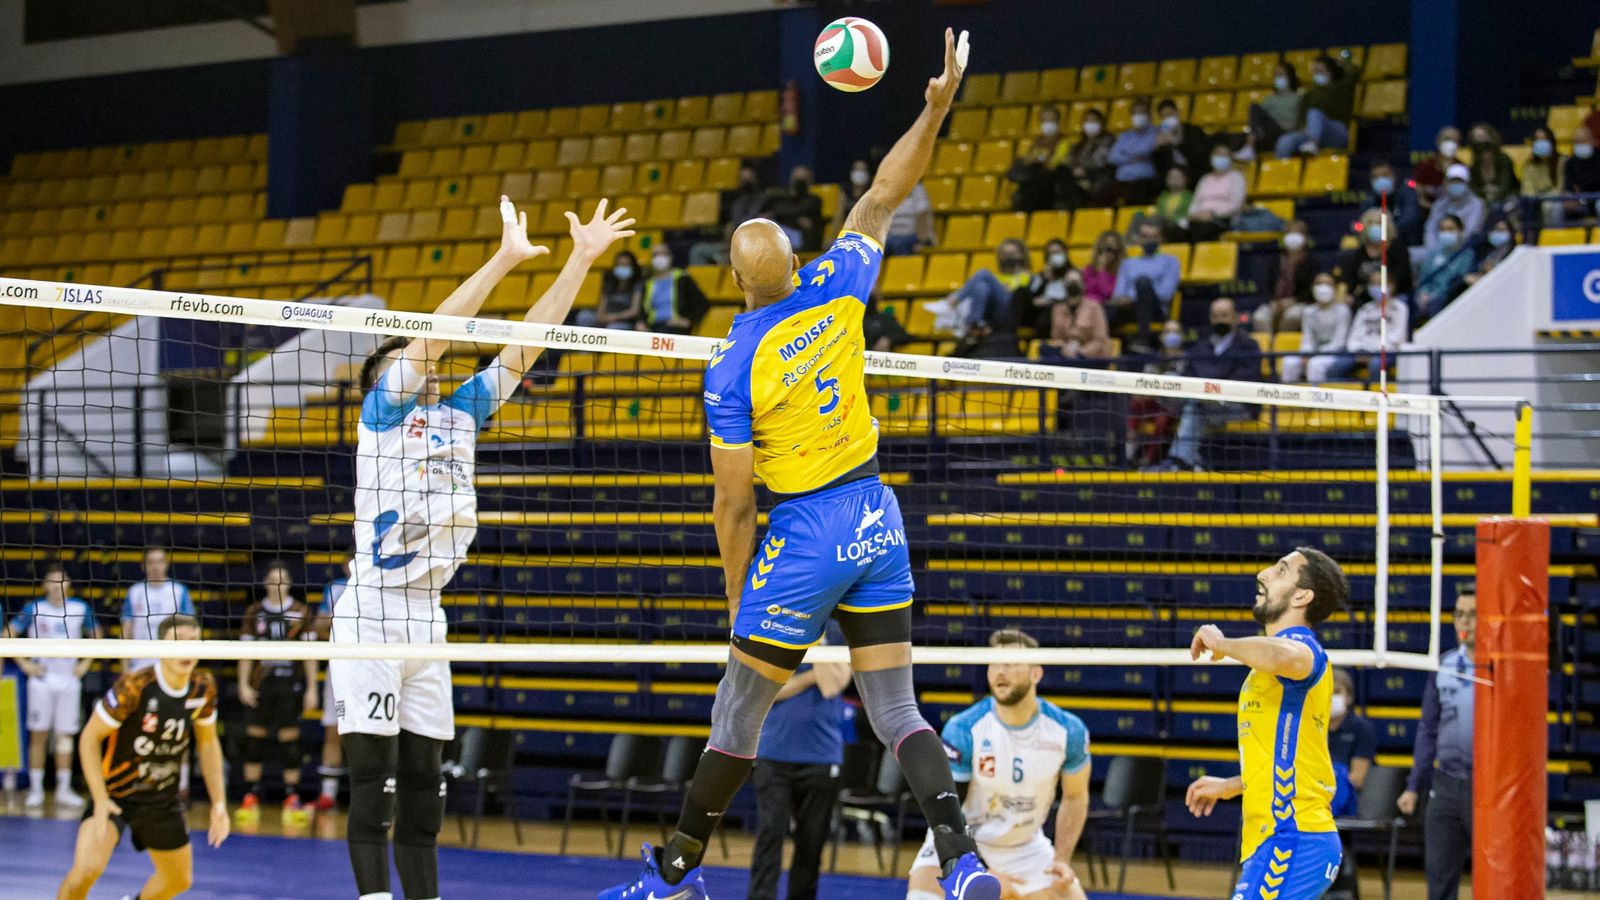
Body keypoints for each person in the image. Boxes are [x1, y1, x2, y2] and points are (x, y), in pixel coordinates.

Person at [601, 29, 1004, 900]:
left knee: (736, 712)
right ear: (793, 262)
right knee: (897, 709)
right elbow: (887, 192)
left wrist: (736, 591)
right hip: (876, 514)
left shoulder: (731, 363)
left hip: (809, 528)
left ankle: (672, 874)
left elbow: (732, 504)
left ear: (736, 280)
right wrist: (936, 105)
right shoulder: (841, 278)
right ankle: (964, 858)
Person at [341, 195, 634, 900]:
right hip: (372, 615)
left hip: (428, 619)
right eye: (408, 358)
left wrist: (579, 260)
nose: (425, 365)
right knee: (373, 786)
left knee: (423, 792)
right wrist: (503, 259)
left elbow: (529, 342)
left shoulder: (460, 416)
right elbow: (436, 334)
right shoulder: (382, 417)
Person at [1185, 548, 1349, 900]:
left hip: (1295, 839)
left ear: (1302, 595)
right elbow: (1288, 755)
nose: (1263, 573)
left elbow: (1284, 655)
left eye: (1281, 570)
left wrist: (1223, 644)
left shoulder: (1303, 650)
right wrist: (1232, 784)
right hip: (1279, 839)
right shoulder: (1268, 669)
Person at [906, 628, 1090, 900]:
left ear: (1036, 673)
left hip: (1025, 847)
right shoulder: (964, 729)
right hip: (962, 842)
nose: (1000, 672)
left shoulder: (1066, 730)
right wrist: (981, 870)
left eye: (1011, 663)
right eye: (994, 662)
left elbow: (1075, 797)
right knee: (923, 896)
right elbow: (949, 812)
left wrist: (1062, 859)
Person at [57, 615, 228, 900]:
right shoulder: (135, 686)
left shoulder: (202, 687)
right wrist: (99, 799)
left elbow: (208, 744)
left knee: (179, 880)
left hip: (162, 799)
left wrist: (219, 802)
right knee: (85, 871)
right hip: (117, 795)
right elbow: (89, 737)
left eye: (192, 642)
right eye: (178, 642)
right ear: (161, 645)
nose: (186, 649)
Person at [747, 634, 851, 900]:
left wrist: (813, 652)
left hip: (822, 758)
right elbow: (766, 690)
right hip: (773, 755)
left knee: (811, 843)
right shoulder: (775, 630)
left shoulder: (838, 633)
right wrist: (811, 674)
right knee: (770, 835)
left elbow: (833, 685)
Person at [1397, 592, 1477, 900]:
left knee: (1492, 874)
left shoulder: (1499, 667)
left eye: (1473, 613)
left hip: (1485, 786)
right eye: (1459, 613)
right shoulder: (1444, 665)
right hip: (1445, 785)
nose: (1465, 621)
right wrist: (1414, 786)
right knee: (1439, 876)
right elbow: (1428, 729)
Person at [3, 562, 100, 809]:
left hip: (69, 679)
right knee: (39, 734)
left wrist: (85, 664)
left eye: (62, 581)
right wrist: (25, 665)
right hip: (42, 680)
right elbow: (7, 635)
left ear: (68, 585)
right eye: (52, 582)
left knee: (65, 735)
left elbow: (99, 637)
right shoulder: (34, 608)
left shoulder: (80, 609)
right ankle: (36, 789)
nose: (57, 587)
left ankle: (63, 789)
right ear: (45, 585)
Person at [235, 561, 317, 825]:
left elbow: (311, 656)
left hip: (290, 685)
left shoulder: (300, 612)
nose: (277, 585)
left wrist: (312, 689)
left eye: (282, 580)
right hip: (261, 686)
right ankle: (250, 797)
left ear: (289, 583)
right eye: (273, 580)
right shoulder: (255, 611)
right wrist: (243, 684)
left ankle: (292, 799)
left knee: (290, 742)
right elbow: (244, 654)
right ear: (266, 583)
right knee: (254, 740)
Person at [1158, 298, 1262, 471]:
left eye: (1224, 315)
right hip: (1204, 404)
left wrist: (1212, 387)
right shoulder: (1201, 347)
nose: (1220, 320)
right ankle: (1191, 461)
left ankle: (1181, 461)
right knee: (1177, 385)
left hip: (1237, 407)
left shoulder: (1248, 346)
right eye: (1215, 316)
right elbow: (1188, 375)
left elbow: (1247, 378)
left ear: (1235, 317)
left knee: (1194, 405)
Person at [312, 558, 351, 813]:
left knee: (371, 734)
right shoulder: (335, 588)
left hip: (372, 667)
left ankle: (371, 793)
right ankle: (328, 795)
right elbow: (318, 626)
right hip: (338, 666)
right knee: (333, 730)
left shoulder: (381, 585)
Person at [1107, 219, 1180, 353]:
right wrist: (1124, 299)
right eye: (1145, 237)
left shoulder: (1170, 261)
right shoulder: (1128, 263)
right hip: (1129, 309)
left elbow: (1166, 293)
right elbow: (1117, 294)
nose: (1149, 241)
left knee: (1143, 283)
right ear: (1139, 239)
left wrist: (1133, 296)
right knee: (1101, 308)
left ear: (1161, 239)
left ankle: (1143, 340)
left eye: (1153, 237)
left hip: (1156, 309)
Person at [121, 547, 195, 675]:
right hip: (140, 662)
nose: (155, 567)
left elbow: (190, 629)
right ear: (143, 566)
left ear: (166, 564)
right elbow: (125, 630)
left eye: (160, 561)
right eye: (151, 562)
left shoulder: (178, 591)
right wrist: (124, 667)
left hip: (171, 662)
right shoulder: (135, 591)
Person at [1324, 271, 1409, 381]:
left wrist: (1372, 351)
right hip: (1361, 351)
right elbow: (1354, 335)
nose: (1377, 287)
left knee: (1375, 365)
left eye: (1381, 283)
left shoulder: (1400, 308)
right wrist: (1359, 351)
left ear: (1392, 286)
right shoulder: (1365, 309)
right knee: (1335, 368)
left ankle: (1377, 395)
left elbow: (1397, 338)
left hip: (1388, 351)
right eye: (1373, 284)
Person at [948, 239, 1031, 346]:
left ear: (1021, 255)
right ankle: (975, 325)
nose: (1008, 257)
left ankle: (956, 299)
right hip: (993, 313)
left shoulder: (1028, 276)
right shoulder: (995, 278)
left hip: (1011, 312)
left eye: (1012, 253)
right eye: (1004, 254)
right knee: (980, 287)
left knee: (983, 272)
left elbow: (1025, 298)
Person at [1275, 55, 1356, 157]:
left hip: (1335, 131)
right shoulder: (1309, 94)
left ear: (1330, 72)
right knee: (1285, 141)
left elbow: (1353, 73)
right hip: (1310, 132)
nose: (1317, 74)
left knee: (1314, 113)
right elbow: (1302, 118)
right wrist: (1304, 128)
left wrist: (1340, 62)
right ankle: (1282, 171)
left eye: (1321, 71)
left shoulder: (1342, 87)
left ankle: (1313, 143)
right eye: (1315, 71)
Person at [1280, 274, 1351, 384]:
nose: (1323, 288)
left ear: (1334, 288)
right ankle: (1286, 400)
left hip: (1336, 353)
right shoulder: (1308, 311)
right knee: (1289, 362)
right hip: (1314, 352)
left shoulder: (1343, 311)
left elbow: (1339, 342)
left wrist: (1314, 355)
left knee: (1315, 365)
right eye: (1319, 284)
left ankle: (1315, 399)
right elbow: (1308, 338)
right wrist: (1306, 354)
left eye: (1327, 284)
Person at [1251, 221, 1316, 335]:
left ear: (1304, 238)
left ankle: (1281, 346)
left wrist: (1294, 301)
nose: (1293, 237)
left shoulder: (1310, 262)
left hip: (1299, 303)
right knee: (1259, 317)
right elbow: (1266, 284)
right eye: (1290, 233)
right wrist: (1273, 302)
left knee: (1292, 317)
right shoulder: (1275, 260)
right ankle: (1269, 348)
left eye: (1297, 233)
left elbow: (1312, 290)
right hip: (1275, 302)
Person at [1326, 668, 1377, 812]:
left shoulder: (1362, 728)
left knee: (1340, 775)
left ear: (1349, 697)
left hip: (1351, 798)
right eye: (1326, 692)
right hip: (1319, 793)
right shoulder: (1310, 726)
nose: (1330, 697)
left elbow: (1357, 778)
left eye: (1336, 692)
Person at [1337, 208, 1413, 302]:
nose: (1375, 226)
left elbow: (1402, 280)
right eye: (1371, 223)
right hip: (1365, 300)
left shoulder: (1398, 250)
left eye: (1379, 222)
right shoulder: (1357, 255)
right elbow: (1352, 285)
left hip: (1395, 297)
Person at [1176, 144, 1247, 241]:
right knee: (1177, 231)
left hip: (1222, 218)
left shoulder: (1236, 178)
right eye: (1218, 155)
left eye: (1224, 155)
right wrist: (1194, 214)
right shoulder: (1205, 179)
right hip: (1199, 217)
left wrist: (1212, 214)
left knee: (1200, 232)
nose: (1220, 158)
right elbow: (1196, 201)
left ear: (1230, 158)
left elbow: (1236, 204)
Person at [1415, 214, 1476, 322]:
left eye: (1450, 229)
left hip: (1447, 297)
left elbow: (1459, 281)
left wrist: (1434, 296)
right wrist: (1423, 293)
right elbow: (1423, 278)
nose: (1446, 233)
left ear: (1460, 231)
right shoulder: (1434, 253)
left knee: (1436, 304)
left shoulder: (1467, 256)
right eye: (1442, 229)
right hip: (1426, 296)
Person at [1014, 238, 1077, 336]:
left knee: (1049, 311)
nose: (1055, 256)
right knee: (1020, 291)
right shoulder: (1041, 276)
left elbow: (1075, 297)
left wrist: (1051, 301)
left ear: (1065, 253)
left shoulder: (1074, 274)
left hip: (1063, 312)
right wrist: (1045, 280)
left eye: (1057, 252)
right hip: (1038, 311)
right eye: (1051, 254)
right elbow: (1032, 295)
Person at [1010, 107, 1069, 212]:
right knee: (1020, 163)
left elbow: (1055, 162)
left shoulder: (1064, 141)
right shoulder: (1037, 142)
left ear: (1058, 122)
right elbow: (1031, 157)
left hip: (1052, 180)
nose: (1048, 124)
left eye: (1052, 120)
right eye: (1045, 120)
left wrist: (1038, 159)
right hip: (1036, 179)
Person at [1045, 271, 1110, 363]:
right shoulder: (1058, 309)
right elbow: (1057, 338)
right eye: (1069, 282)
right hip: (1065, 355)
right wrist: (1066, 348)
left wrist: (1080, 352)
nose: (1072, 285)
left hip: (1089, 357)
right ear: (1064, 285)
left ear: (1083, 285)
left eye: (1076, 282)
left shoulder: (1094, 307)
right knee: (1045, 349)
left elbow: (1100, 339)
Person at [641, 248, 710, 335]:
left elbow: (703, 303)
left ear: (670, 257)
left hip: (675, 326)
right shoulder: (648, 283)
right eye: (656, 255)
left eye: (663, 254)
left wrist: (689, 320)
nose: (659, 258)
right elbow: (643, 308)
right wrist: (641, 322)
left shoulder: (683, 278)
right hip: (652, 325)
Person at [1058, 108, 1115, 210]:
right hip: (1077, 179)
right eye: (1087, 121)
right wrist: (1075, 169)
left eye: (1094, 121)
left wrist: (1083, 169)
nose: (1090, 124)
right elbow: (1069, 160)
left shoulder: (1108, 140)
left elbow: (1101, 160)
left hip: (1096, 176)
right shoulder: (1078, 145)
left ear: (1101, 123)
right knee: (1061, 170)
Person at [1107, 99, 1160, 204]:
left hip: (1144, 178)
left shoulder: (1155, 132)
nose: (1138, 116)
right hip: (1122, 179)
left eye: (1142, 112)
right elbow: (1113, 157)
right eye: (1135, 113)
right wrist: (1131, 157)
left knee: (1135, 192)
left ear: (1149, 115)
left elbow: (1146, 150)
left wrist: (1126, 154)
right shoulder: (1125, 135)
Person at [1423, 164, 1485, 252]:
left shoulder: (1477, 204)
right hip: (1437, 249)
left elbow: (1470, 232)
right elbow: (1430, 230)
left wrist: (1452, 249)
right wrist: (1433, 251)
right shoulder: (1439, 204)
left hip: (1464, 251)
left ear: (1467, 183)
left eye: (1459, 181)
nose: (1456, 184)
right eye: (1453, 181)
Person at [577, 250, 644, 330]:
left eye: (626, 265)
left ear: (633, 267)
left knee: (613, 327)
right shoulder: (609, 283)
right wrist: (601, 317)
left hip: (623, 321)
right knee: (584, 316)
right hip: (606, 317)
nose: (622, 267)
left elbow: (634, 311)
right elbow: (601, 308)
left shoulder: (637, 284)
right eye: (620, 264)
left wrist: (614, 317)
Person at [1246, 62, 1302, 157]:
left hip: (1287, 133)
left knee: (1254, 107)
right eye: (1276, 75)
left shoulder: (1298, 98)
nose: (1278, 78)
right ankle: (1249, 146)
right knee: (1254, 107)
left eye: (1281, 75)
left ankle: (1249, 147)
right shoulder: (1269, 99)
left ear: (1290, 76)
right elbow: (1259, 120)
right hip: (1271, 135)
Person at [766, 165, 824, 251]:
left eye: (803, 179)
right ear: (791, 180)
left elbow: (801, 210)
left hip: (802, 237)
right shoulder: (784, 198)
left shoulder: (814, 199)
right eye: (797, 178)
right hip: (783, 231)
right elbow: (778, 210)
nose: (799, 182)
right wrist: (796, 218)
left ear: (810, 180)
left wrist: (783, 215)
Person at [1152, 98, 1210, 184]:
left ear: (1177, 113)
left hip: (1195, 176)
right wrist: (1157, 149)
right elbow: (1160, 167)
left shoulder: (1194, 131)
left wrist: (1177, 143)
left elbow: (1200, 157)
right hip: (1174, 181)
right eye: (1164, 116)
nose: (1168, 118)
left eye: (1170, 114)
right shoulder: (1162, 137)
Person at [1369, 160, 1423, 247]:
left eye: (1385, 175)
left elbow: (1410, 219)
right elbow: (1364, 222)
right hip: (1379, 247)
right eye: (1376, 177)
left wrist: (1388, 231)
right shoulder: (1370, 199)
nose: (1381, 180)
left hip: (1409, 245)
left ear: (1393, 176)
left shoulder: (1407, 193)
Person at [1466, 123, 1519, 205]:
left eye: (1482, 137)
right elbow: (1473, 187)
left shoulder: (1503, 159)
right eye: (1476, 139)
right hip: (1484, 199)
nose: (1480, 142)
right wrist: (1484, 193)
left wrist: (1495, 196)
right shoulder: (1474, 165)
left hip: (1506, 197)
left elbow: (1506, 184)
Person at [1414, 126, 1464, 210]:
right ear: (1438, 141)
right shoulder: (1426, 165)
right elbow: (1416, 189)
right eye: (1447, 139)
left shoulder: (1462, 168)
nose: (1451, 144)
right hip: (1428, 210)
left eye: (1455, 141)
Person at [1462, 219, 1517, 289]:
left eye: (1502, 230)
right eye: (1496, 229)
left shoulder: (1513, 253)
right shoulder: (1486, 250)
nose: (1498, 233)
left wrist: (1491, 270)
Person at [886, 181, 935, 256]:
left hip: (912, 235)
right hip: (892, 236)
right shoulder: (889, 192)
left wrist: (922, 242)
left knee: (898, 243)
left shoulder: (918, 190)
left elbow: (922, 216)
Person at [1520, 127, 1562, 200]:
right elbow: (1527, 187)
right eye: (1537, 140)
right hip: (1536, 200)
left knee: (1549, 206)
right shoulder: (1530, 165)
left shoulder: (1561, 161)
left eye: (1543, 139)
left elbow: (1562, 186)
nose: (1540, 142)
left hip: (1556, 199)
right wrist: (1533, 198)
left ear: (1551, 142)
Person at [1150, 167, 1193, 237]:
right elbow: (1159, 213)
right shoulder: (1162, 196)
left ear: (1186, 179)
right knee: (1138, 217)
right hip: (1161, 223)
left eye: (1177, 177)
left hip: (1177, 225)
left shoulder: (1190, 196)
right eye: (1171, 177)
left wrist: (1170, 218)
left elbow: (1187, 215)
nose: (1174, 179)